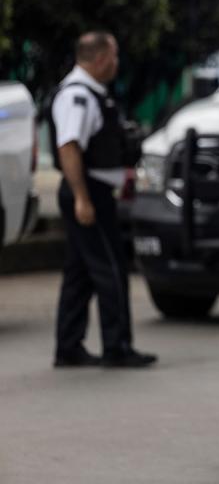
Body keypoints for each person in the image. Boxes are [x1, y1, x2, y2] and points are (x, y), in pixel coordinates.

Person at [49, 31, 157, 368]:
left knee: (80, 273)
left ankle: (68, 346)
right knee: (110, 268)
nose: (117, 64)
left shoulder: (93, 94)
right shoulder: (78, 97)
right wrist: (82, 198)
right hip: (89, 192)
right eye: (114, 57)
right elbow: (68, 147)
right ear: (99, 60)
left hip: (93, 190)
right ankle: (117, 347)